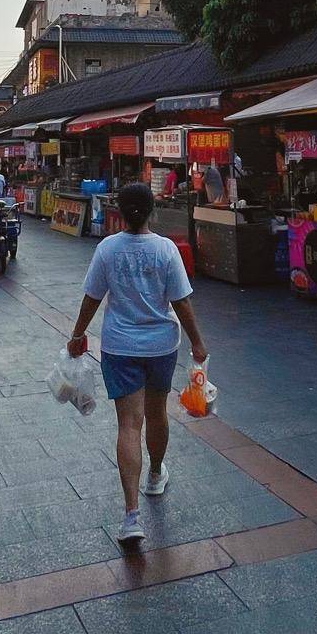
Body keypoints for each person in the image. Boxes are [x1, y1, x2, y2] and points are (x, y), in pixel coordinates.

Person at [66, 182, 208, 549]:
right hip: (161, 346)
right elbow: (182, 303)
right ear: (151, 211)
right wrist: (197, 341)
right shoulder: (166, 250)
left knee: (129, 424)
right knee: (157, 413)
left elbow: (92, 297)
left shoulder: (107, 249)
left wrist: (78, 333)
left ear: (120, 211)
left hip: (120, 346)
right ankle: (155, 474)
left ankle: (131, 516)